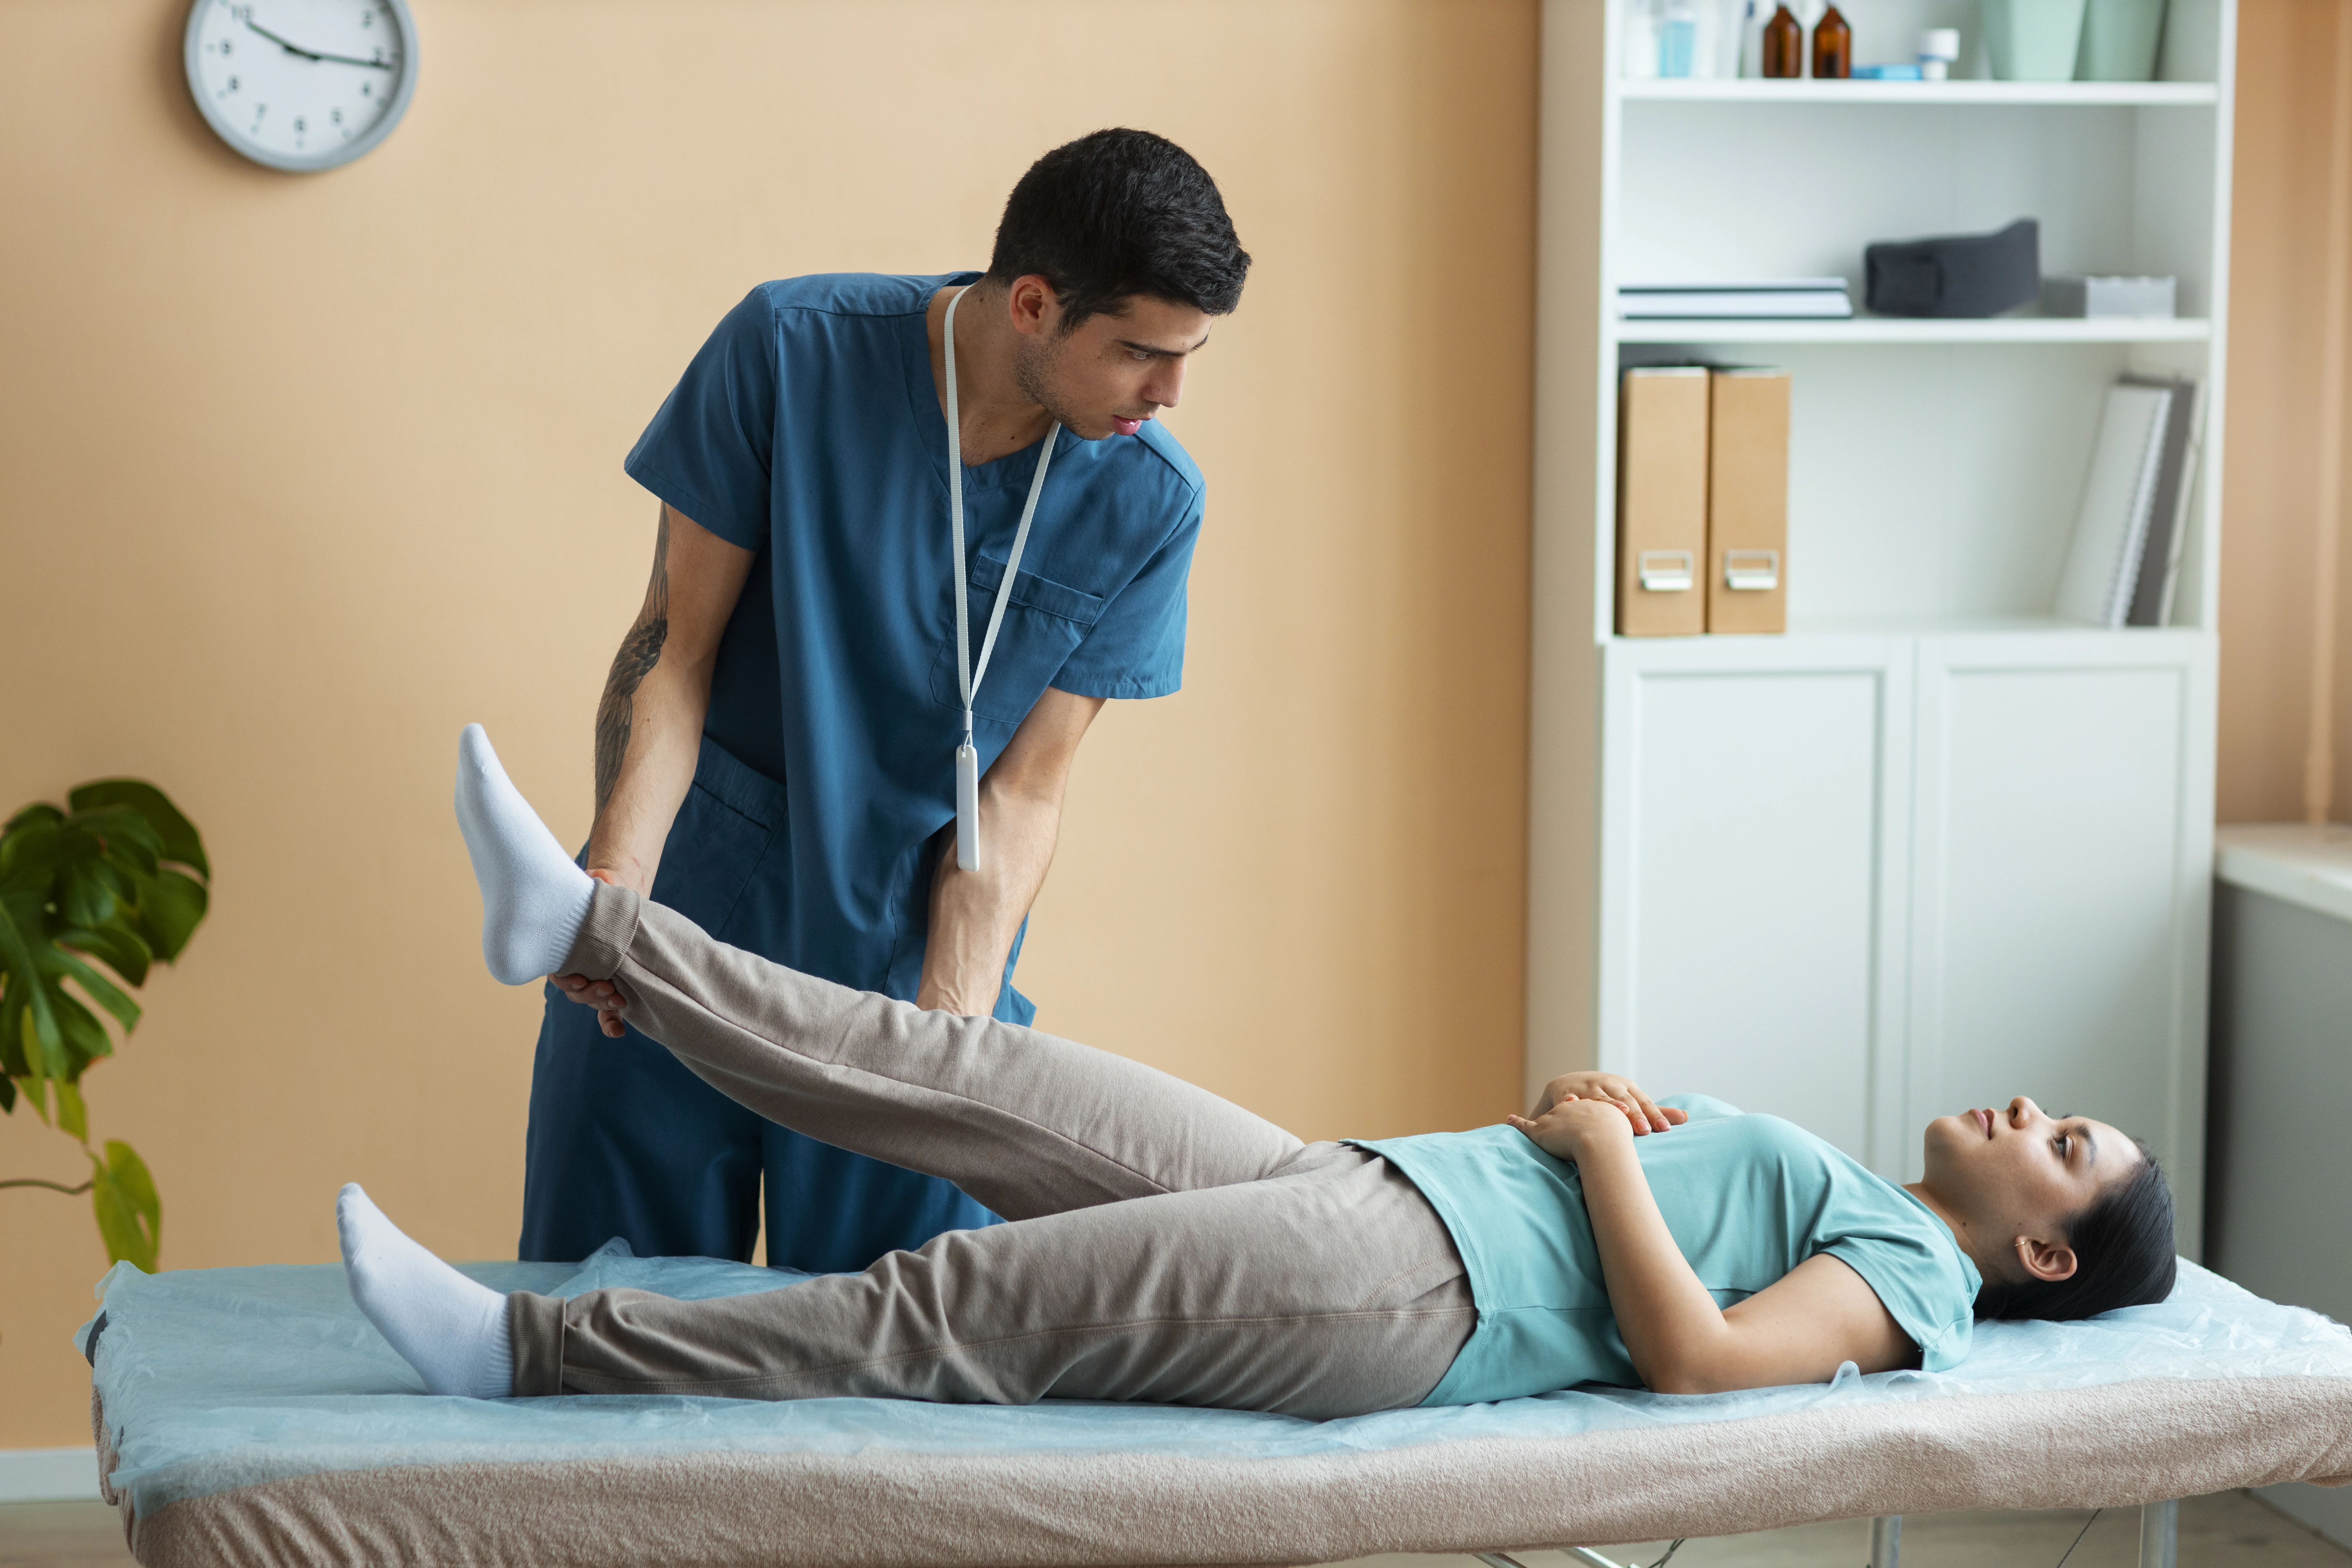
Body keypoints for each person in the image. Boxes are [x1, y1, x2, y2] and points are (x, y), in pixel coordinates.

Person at [352, 728, 2179, 1414]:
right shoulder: (1880, 1197)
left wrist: (1592, 1149)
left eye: (2067, 1142)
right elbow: (1640, 1225)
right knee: (954, 1068)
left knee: (938, 1302)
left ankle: (522, 1352)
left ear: (2042, 1253)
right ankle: (591, 931)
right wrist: (1592, 1120)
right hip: (1372, 1187)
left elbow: (1698, 1362)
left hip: (1410, 1292)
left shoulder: (1919, 1282)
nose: (2032, 1109)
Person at [519, 128, 1249, 1273]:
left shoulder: (1149, 500)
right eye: (1138, 353)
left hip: (912, 962)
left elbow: (1020, 792)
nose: (1168, 393)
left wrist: (946, 1037)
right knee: (605, 1326)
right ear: (1029, 304)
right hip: (689, 906)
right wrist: (615, 899)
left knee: (891, 1376)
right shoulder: (790, 351)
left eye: (1190, 354)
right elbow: (673, 655)